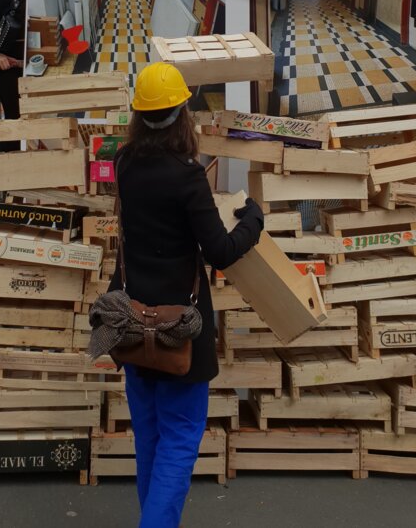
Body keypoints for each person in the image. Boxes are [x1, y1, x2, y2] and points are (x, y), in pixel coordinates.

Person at [100, 62, 264, 528]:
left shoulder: (126, 163)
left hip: (132, 325)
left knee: (150, 438)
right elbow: (220, 251)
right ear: (182, 113)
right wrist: (253, 217)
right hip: (178, 333)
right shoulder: (187, 175)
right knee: (179, 440)